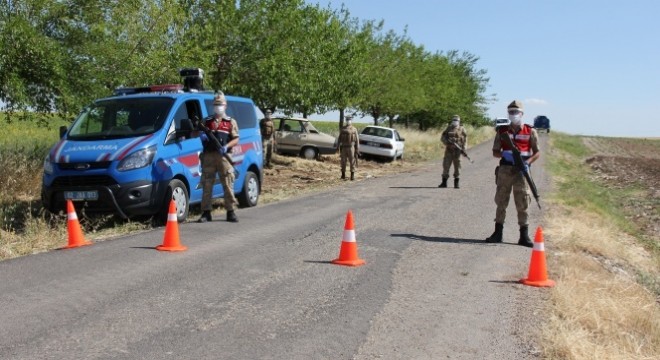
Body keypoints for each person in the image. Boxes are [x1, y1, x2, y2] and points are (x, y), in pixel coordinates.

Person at [485, 100, 540, 247]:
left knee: (523, 202)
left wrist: (527, 163)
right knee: (501, 201)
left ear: (522, 114)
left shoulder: (530, 131)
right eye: (510, 112)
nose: (513, 114)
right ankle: (497, 233)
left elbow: (537, 152)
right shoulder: (502, 131)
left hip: (521, 171)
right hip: (505, 170)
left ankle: (524, 235)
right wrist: (505, 154)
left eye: (516, 112)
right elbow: (495, 152)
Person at [197, 92, 240, 223]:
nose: (218, 107)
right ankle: (206, 212)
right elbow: (197, 131)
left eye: (220, 104)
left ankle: (230, 211)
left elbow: (236, 138)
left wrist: (226, 147)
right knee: (207, 183)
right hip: (209, 157)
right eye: (216, 104)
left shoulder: (230, 122)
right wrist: (201, 135)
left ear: (225, 105)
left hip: (224, 157)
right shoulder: (207, 121)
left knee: (227, 183)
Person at [439, 115, 467, 189]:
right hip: (449, 151)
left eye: (456, 120)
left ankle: (456, 183)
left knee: (458, 167)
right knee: (446, 166)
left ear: (459, 121)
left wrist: (463, 149)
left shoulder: (462, 129)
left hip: (458, 151)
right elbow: (443, 137)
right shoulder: (448, 128)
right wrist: (447, 143)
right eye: (454, 120)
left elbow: (465, 140)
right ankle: (444, 182)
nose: (455, 121)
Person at [338, 114, 359, 180]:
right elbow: (339, 138)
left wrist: (357, 148)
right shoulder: (343, 129)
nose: (348, 120)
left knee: (352, 161)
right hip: (344, 147)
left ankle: (352, 175)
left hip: (351, 147)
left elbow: (357, 140)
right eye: (347, 119)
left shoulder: (354, 129)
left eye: (349, 119)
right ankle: (343, 175)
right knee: (343, 161)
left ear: (351, 120)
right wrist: (337, 146)